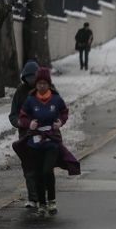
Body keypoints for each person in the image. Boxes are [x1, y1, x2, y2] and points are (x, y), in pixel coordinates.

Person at [13, 68, 80, 216]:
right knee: (37, 172)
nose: (42, 86)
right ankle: (42, 204)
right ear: (36, 84)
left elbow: (64, 112)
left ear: (49, 84)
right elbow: (22, 117)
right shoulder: (30, 99)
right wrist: (29, 124)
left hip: (51, 140)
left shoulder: (56, 99)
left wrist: (59, 122)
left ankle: (52, 201)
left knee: (47, 170)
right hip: (35, 142)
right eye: (39, 83)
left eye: (44, 83)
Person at [8, 60, 40, 208]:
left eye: (34, 77)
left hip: (43, 136)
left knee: (42, 167)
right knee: (28, 167)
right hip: (25, 136)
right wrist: (19, 123)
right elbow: (13, 114)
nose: (31, 81)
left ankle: (44, 196)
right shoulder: (20, 92)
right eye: (29, 78)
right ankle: (33, 198)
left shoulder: (45, 89)